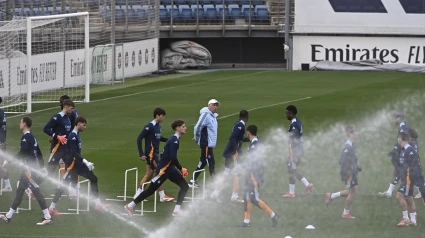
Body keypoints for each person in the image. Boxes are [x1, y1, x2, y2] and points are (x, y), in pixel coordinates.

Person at [125, 120, 189, 216]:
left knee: (185, 186)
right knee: (151, 190)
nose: (185, 128)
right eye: (183, 126)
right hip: (163, 171)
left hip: (170, 169)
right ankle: (130, 206)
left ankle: (176, 210)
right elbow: (172, 157)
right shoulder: (174, 140)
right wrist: (181, 168)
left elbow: (165, 154)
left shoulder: (174, 139)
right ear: (178, 128)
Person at [48, 116, 110, 215]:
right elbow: (73, 152)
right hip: (72, 165)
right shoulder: (72, 136)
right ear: (79, 123)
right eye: (84, 125)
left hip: (78, 164)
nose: (85, 127)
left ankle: (98, 203)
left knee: (93, 178)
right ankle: (51, 207)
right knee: (64, 186)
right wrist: (86, 161)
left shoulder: (76, 135)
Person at [0, 117, 52, 225]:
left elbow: (22, 153)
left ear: (24, 124)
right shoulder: (32, 136)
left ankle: (47, 216)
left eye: (20, 122)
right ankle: (8, 216)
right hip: (28, 169)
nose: (19, 124)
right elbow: (38, 152)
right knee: (19, 191)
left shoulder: (26, 137)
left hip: (29, 169)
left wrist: (8, 161)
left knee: (36, 192)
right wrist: (41, 165)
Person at [237, 125, 279, 227]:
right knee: (247, 197)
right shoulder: (258, 143)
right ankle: (246, 221)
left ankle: (273, 215)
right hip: (252, 174)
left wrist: (253, 177)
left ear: (248, 133)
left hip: (253, 176)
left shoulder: (253, 146)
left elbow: (253, 162)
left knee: (254, 199)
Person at [133, 108, 174, 202]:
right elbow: (139, 138)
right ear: (157, 115)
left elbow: (159, 138)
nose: (163, 118)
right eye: (162, 116)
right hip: (151, 154)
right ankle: (162, 195)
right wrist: (141, 153)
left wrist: (170, 140)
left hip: (155, 153)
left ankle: (138, 194)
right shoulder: (150, 126)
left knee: (149, 174)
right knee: (160, 172)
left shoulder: (158, 126)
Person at [211, 110, 249, 202]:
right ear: (247, 117)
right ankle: (234, 196)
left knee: (226, 173)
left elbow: (238, 139)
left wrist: (249, 139)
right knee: (237, 173)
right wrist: (238, 150)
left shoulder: (238, 123)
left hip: (230, 153)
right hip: (233, 154)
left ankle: (215, 193)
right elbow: (232, 138)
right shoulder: (240, 125)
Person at [325, 125, 361, 219]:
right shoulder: (347, 147)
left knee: (353, 190)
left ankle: (331, 196)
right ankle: (345, 213)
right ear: (350, 134)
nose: (357, 133)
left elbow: (352, 160)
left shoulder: (352, 145)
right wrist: (349, 172)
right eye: (355, 132)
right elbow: (342, 161)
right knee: (353, 192)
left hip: (352, 172)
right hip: (348, 173)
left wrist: (356, 167)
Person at [282, 105, 313, 198]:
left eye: (287, 113)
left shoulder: (294, 124)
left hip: (295, 151)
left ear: (291, 113)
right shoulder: (296, 121)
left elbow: (294, 137)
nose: (286, 115)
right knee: (292, 170)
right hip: (297, 150)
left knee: (291, 170)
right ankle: (306, 185)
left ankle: (293, 192)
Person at [189, 99, 219, 188]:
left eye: (217, 105)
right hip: (206, 144)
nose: (215, 107)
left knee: (203, 162)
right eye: (214, 105)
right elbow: (197, 127)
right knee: (211, 162)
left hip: (209, 144)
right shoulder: (206, 115)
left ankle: (192, 180)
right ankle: (215, 182)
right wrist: (197, 138)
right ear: (209, 105)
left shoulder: (212, 116)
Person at [379, 111, 408, 198]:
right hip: (403, 151)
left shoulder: (403, 127)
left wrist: (395, 149)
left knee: (407, 172)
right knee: (397, 171)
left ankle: (412, 191)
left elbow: (402, 141)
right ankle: (389, 192)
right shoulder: (403, 126)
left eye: (394, 118)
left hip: (404, 152)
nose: (393, 120)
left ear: (399, 118)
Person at [394, 132, 421, 227]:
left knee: (398, 196)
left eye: (398, 138)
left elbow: (415, 167)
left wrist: (410, 179)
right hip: (405, 178)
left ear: (401, 139)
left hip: (408, 179)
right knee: (409, 199)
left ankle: (405, 218)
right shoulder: (404, 150)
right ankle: (413, 221)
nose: (397, 140)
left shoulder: (410, 151)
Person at [43, 99, 74, 177]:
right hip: (57, 148)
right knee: (49, 172)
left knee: (71, 167)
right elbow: (46, 129)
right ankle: (32, 185)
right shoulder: (57, 117)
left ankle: (67, 188)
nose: (73, 110)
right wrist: (56, 136)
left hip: (65, 148)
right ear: (66, 107)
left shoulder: (67, 118)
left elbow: (66, 133)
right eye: (71, 108)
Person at [59, 95, 79, 199]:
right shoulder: (70, 113)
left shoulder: (70, 114)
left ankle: (69, 189)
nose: (60, 104)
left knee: (65, 164)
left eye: (61, 102)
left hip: (67, 142)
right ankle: (73, 190)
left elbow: (70, 128)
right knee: (70, 164)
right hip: (68, 141)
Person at [0, 97, 11, 192]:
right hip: (2, 141)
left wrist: (1, 142)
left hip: (0, 143)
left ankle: (8, 186)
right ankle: (8, 186)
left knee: (1, 167)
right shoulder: (2, 112)